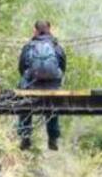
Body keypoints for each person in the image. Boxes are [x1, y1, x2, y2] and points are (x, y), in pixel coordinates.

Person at [17, 20, 67, 151]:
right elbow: (63, 66)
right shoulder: (56, 46)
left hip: (31, 85)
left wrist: (30, 79)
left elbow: (21, 67)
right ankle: (53, 138)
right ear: (49, 29)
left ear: (35, 30)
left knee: (25, 103)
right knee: (52, 106)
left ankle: (25, 137)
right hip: (52, 87)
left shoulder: (29, 46)